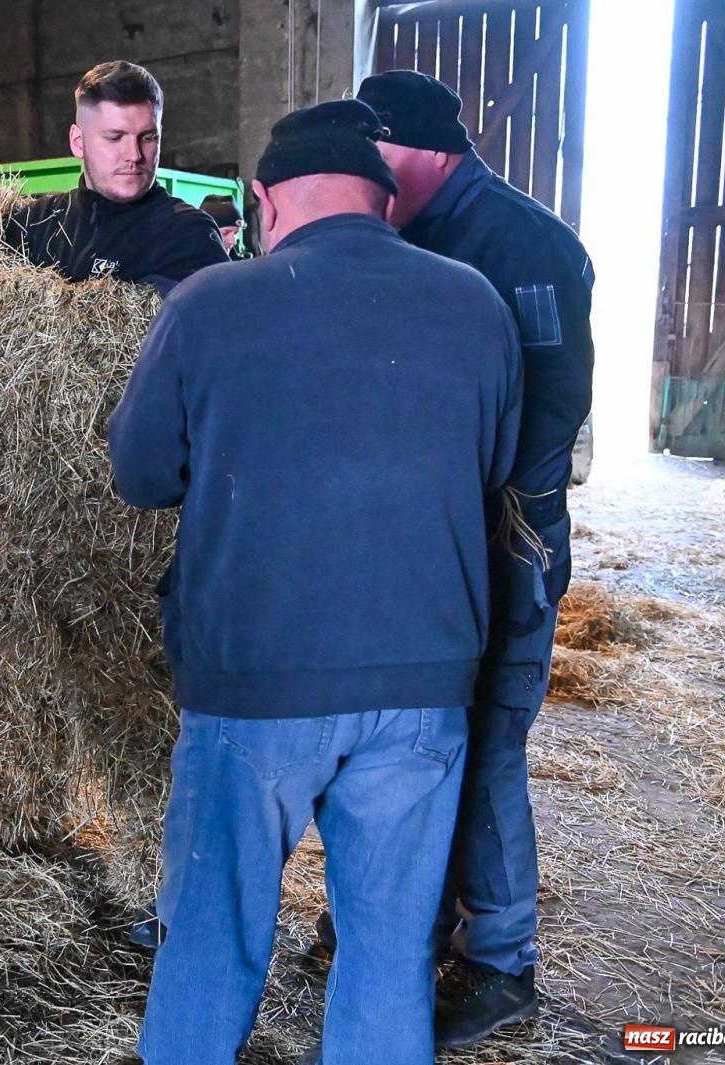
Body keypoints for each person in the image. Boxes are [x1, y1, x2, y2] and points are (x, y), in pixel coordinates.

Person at [109, 98, 521, 1065]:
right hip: (423, 688)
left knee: (212, 941)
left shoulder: (209, 303)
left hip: (254, 685)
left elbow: (140, 475)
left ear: (262, 200)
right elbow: (493, 461)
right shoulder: (475, 302)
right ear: (386, 203)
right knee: (386, 954)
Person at [354, 69, 596, 1049]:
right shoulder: (403, 234)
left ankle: (500, 965)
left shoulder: (521, 243)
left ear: (415, 148)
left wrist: (467, 511)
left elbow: (550, 413)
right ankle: (406, 920)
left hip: (501, 534)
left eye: (370, 160)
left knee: (489, 736)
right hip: (417, 533)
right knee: (412, 729)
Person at [7, 60, 227, 291]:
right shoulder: (36, 222)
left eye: (148, 137)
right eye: (114, 137)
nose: (134, 155)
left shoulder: (189, 235)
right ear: (78, 142)